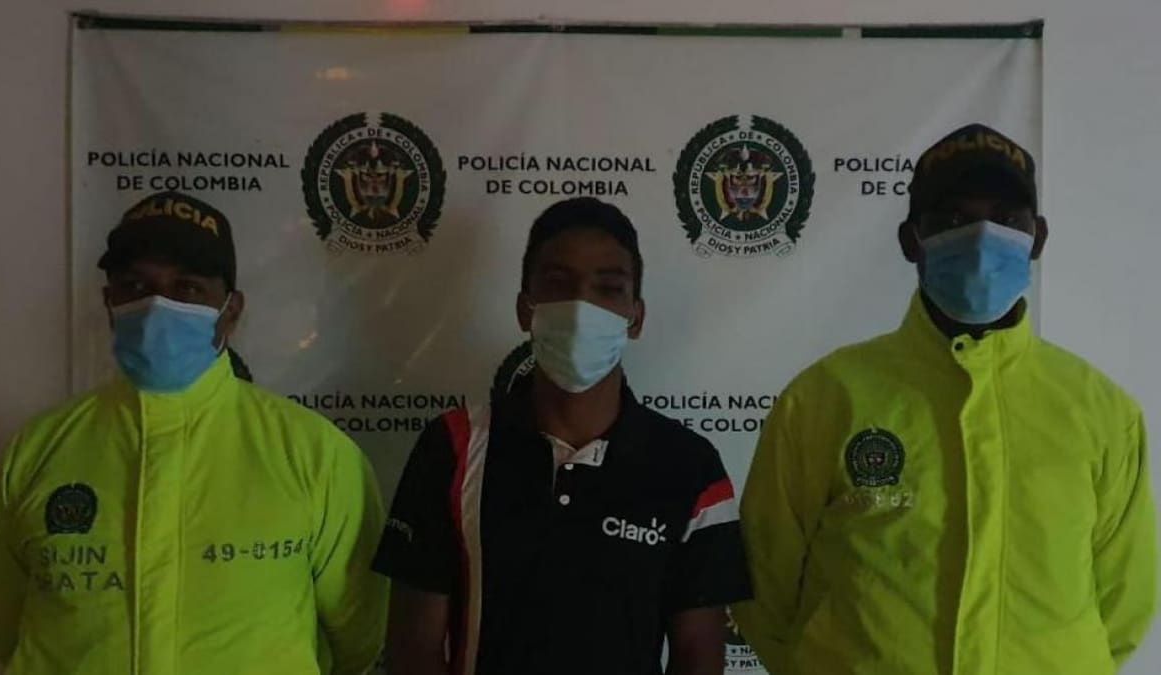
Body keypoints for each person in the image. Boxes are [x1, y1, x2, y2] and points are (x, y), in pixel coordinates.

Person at [732, 124, 1157, 674]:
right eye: (953, 220)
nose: (981, 239)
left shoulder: (1101, 411)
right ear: (911, 241)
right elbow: (765, 585)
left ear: (1038, 238)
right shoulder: (824, 399)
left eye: (1006, 220)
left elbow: (1123, 605)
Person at [0, 191, 389, 674]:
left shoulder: (316, 454)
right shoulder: (38, 450)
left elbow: (360, 635)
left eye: (188, 288)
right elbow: (3, 629)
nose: (157, 305)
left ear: (231, 311)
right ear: (109, 303)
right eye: (135, 286)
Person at [373, 197, 752, 675]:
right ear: (525, 309)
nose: (581, 307)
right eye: (558, 284)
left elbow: (698, 654)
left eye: (608, 288)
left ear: (635, 318)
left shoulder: (690, 467)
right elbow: (414, 648)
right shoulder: (452, 446)